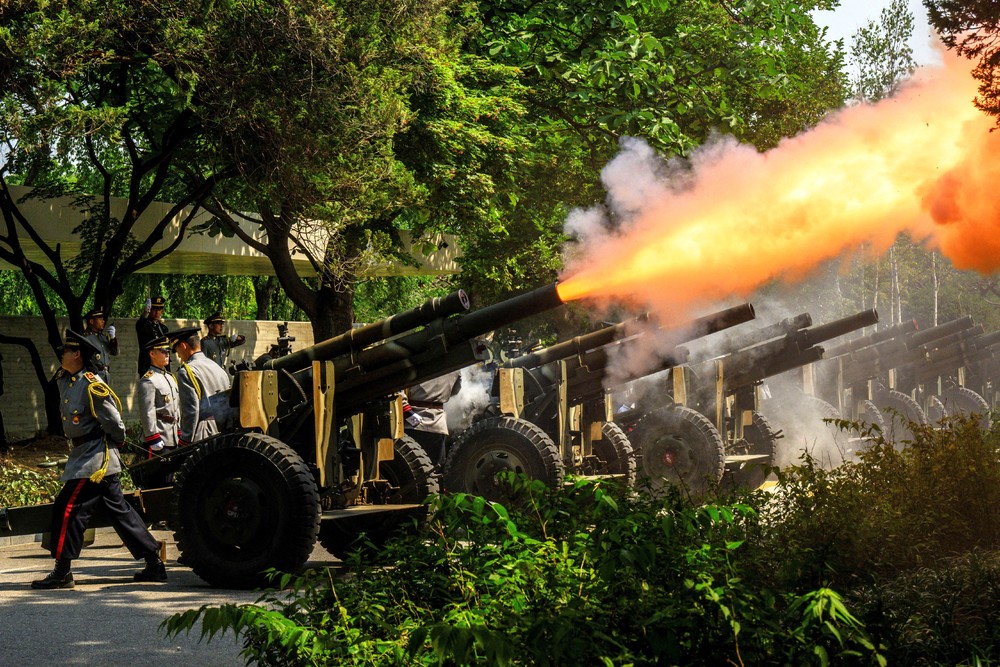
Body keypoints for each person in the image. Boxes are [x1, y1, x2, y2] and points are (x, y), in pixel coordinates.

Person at [31, 330, 166, 590]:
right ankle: (154, 564)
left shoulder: (92, 384)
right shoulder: (68, 380)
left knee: (67, 508)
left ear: (77, 353)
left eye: (65, 351)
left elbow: (115, 423)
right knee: (122, 514)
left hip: (94, 461)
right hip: (89, 458)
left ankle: (62, 572)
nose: (61, 355)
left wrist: (117, 440)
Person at [168, 326, 233, 445]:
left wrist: (185, 439)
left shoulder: (186, 371)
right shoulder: (218, 367)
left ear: (183, 346)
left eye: (177, 350)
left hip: (202, 432)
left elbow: (191, 410)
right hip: (223, 430)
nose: (178, 355)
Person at [404, 370, 462, 466]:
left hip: (412, 423)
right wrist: (437, 396)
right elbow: (455, 390)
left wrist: (408, 412)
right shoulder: (455, 366)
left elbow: (397, 391)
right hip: (438, 424)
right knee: (434, 469)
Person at [136, 334, 179, 457]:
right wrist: (152, 437)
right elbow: (147, 411)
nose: (167, 354)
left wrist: (179, 431)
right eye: (163, 351)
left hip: (173, 436)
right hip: (159, 438)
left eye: (168, 351)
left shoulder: (170, 378)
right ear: (152, 354)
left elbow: (176, 408)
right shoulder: (148, 380)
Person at [82, 306, 118, 381]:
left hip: (106, 376)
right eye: (100, 319)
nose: (103, 321)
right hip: (94, 377)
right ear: (91, 321)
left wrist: (113, 338)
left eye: (103, 319)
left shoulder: (103, 337)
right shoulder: (86, 338)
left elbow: (115, 352)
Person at [135, 295, 169, 375]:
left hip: (162, 366)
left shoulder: (163, 328)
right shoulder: (143, 325)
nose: (157, 312)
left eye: (159, 309)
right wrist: (145, 313)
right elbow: (141, 323)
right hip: (147, 365)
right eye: (154, 309)